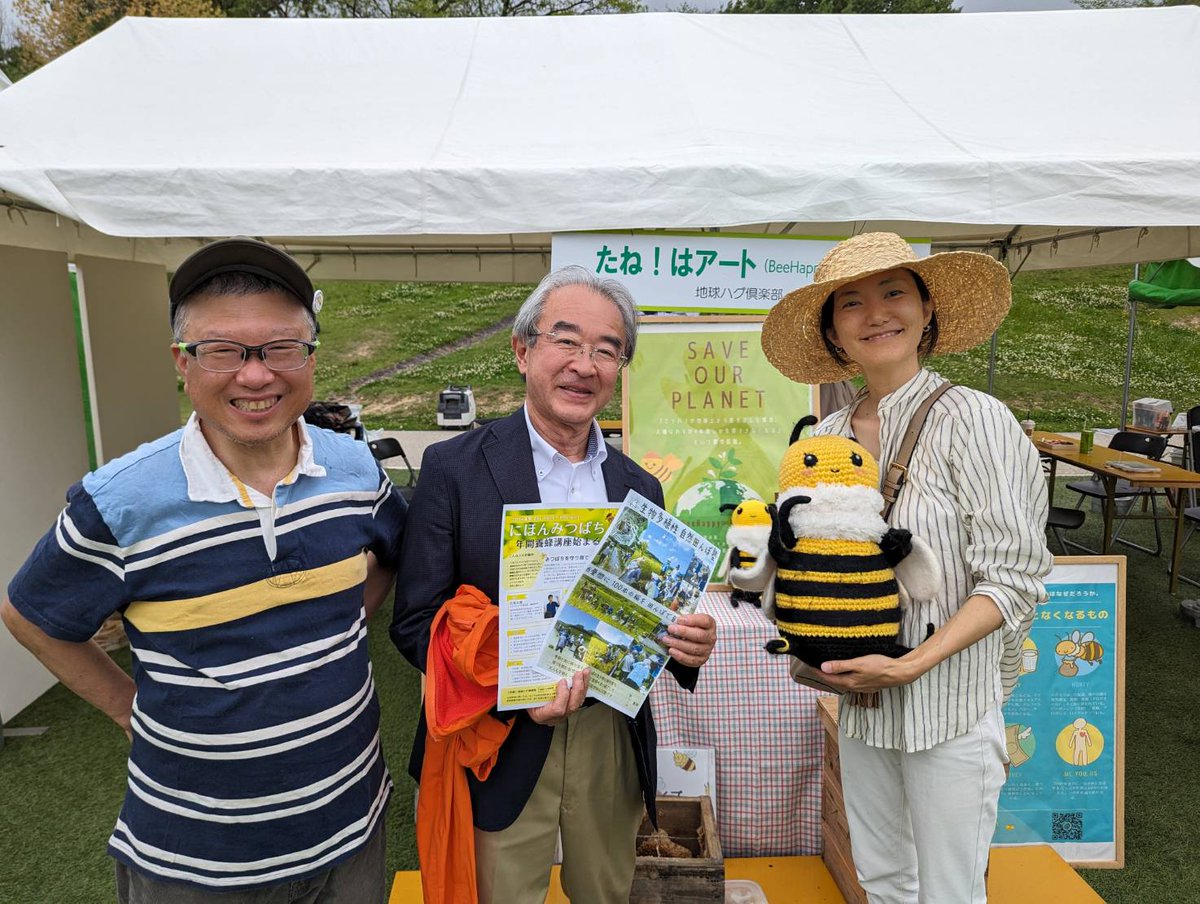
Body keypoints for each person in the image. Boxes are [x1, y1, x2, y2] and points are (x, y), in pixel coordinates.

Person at [1, 238, 406, 903]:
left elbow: (393, 552)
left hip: (350, 827)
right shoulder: (122, 500)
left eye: (282, 348)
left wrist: (343, 624)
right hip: (195, 859)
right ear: (181, 363)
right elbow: (30, 616)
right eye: (222, 351)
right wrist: (129, 709)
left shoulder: (356, 472)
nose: (256, 375)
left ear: (311, 356)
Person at [390, 264, 717, 904]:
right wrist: (513, 692)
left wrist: (685, 646)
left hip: (609, 734)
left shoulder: (638, 486)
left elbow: (648, 615)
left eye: (606, 350)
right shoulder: (454, 468)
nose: (584, 365)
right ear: (523, 351)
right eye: (566, 341)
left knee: (607, 890)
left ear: (620, 367)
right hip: (499, 734)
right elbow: (414, 622)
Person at [761, 232, 1052, 903]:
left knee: (950, 891)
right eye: (851, 303)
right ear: (833, 333)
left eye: (893, 292)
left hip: (950, 705)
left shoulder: (975, 420)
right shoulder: (823, 440)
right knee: (884, 881)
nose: (876, 314)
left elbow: (1013, 577)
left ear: (927, 310)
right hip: (861, 707)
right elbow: (804, 558)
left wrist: (911, 664)